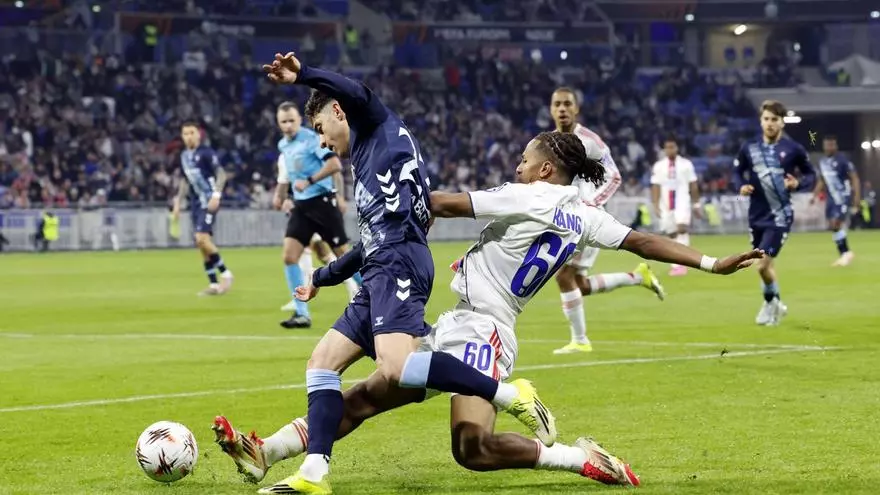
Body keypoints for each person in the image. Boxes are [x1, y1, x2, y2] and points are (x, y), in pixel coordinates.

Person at [212, 131, 763, 494]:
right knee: (368, 395)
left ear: (545, 168)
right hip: (466, 322)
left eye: (524, 160)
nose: (517, 167)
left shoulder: (527, 195)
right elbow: (642, 241)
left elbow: (443, 203)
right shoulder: (584, 214)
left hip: (485, 331)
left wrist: (393, 189)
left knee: (471, 447)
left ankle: (574, 454)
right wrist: (711, 262)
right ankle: (267, 452)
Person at [258, 53, 555, 494]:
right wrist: (323, 277)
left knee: (396, 368)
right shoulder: (372, 153)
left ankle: (511, 395)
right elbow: (371, 240)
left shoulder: (374, 124)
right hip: (384, 261)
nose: (321, 141)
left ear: (338, 111)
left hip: (398, 262)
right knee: (322, 363)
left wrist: (304, 76)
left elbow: (357, 93)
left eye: (320, 128)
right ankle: (314, 472)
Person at [547, 87, 664, 355]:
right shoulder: (548, 142)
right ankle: (638, 277)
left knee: (564, 276)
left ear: (576, 108)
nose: (562, 109)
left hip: (585, 220)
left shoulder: (590, 141)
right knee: (579, 285)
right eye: (557, 104)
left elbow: (614, 176)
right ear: (551, 109)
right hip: (564, 219)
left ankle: (580, 340)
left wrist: (591, 203)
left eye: (567, 104)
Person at [273, 101, 359, 329]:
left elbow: (334, 165)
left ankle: (374, 295)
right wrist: (280, 196)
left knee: (345, 257)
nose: (288, 125)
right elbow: (287, 175)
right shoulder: (284, 145)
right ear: (278, 123)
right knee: (289, 256)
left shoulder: (311, 139)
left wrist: (310, 181)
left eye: (292, 120)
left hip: (322, 204)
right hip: (301, 207)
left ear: (299, 120)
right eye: (284, 122)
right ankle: (302, 313)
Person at [734, 100, 815, 326]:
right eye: (766, 119)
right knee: (766, 266)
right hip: (756, 216)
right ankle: (776, 304)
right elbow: (737, 172)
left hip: (780, 217)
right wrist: (741, 186)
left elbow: (811, 174)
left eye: (774, 119)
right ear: (761, 121)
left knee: (762, 265)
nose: (770, 123)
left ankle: (770, 303)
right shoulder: (749, 147)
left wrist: (798, 183)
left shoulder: (794, 149)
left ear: (782, 123)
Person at [172, 121, 234, 296]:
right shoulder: (184, 156)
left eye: (192, 133)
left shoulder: (206, 152)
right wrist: (177, 203)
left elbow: (221, 174)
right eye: (185, 134)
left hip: (208, 202)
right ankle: (213, 284)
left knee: (201, 238)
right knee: (202, 244)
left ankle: (226, 274)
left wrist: (216, 195)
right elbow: (185, 180)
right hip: (195, 204)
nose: (189, 137)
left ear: (199, 134)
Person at [650, 135, 701, 276]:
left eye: (672, 147)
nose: (669, 150)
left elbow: (693, 185)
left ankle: (683, 263)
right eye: (667, 147)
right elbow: (655, 186)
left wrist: (696, 204)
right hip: (665, 203)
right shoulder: (659, 166)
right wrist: (655, 204)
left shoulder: (686, 164)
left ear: (677, 148)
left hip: (682, 201)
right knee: (671, 233)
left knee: (682, 229)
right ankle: (676, 265)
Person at [811, 135, 859, 266]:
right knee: (833, 225)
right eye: (827, 145)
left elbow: (854, 178)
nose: (829, 147)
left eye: (831, 145)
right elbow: (822, 180)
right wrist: (814, 195)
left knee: (836, 223)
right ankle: (845, 253)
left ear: (836, 146)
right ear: (824, 146)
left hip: (842, 197)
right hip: (831, 198)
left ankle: (845, 253)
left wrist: (856, 198)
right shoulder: (823, 162)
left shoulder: (843, 161)